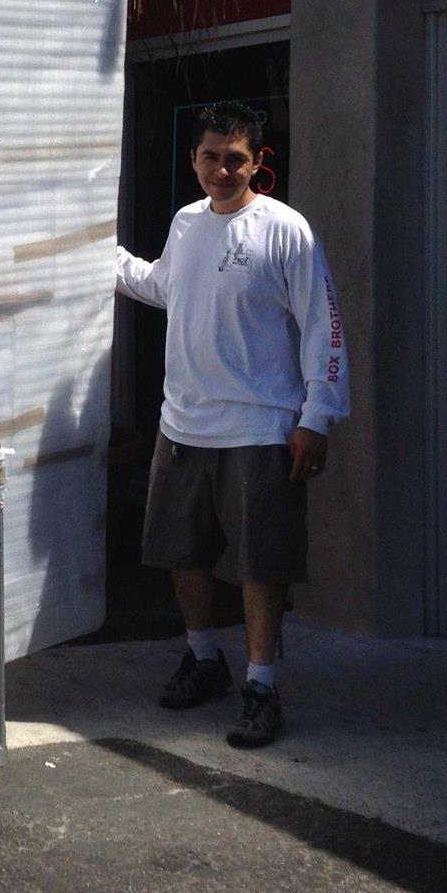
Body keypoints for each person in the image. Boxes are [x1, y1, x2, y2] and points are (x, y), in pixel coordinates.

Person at [115, 101, 348, 749]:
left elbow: (324, 325)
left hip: (260, 427)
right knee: (180, 554)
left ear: (256, 161)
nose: (222, 170)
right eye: (211, 157)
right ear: (194, 159)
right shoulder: (186, 222)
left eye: (235, 159)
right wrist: (97, 253)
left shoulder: (285, 229)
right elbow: (164, 286)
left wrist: (317, 416)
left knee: (259, 566)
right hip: (182, 424)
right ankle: (203, 657)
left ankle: (261, 687)